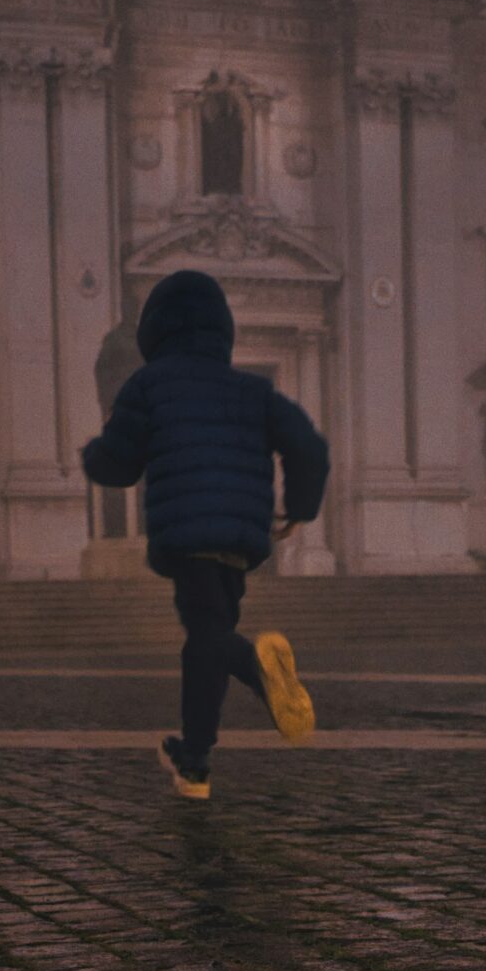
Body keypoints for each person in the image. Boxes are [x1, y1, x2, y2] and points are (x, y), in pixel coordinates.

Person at [82, 268, 329, 800]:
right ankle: (194, 758)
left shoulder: (148, 384)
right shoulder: (252, 389)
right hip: (240, 541)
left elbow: (118, 464)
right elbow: (308, 446)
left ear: (156, 331)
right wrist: (301, 508)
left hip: (188, 532)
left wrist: (92, 454)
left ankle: (262, 674)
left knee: (210, 638)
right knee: (205, 642)